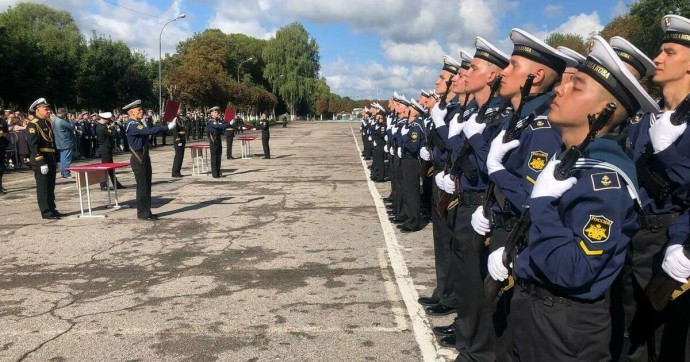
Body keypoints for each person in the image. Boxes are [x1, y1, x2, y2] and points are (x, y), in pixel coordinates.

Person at [496, 35, 658, 361]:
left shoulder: (605, 180)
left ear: (604, 110)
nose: (560, 89)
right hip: (537, 311)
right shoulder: (569, 158)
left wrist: (540, 204)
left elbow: (574, 271)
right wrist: (516, 255)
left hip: (564, 327)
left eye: (577, 86)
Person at [626, 14, 690, 361]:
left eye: (669, 51)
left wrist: (669, 155)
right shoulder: (645, 117)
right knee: (634, 343)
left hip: (676, 246)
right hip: (637, 240)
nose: (658, 58)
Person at [123, 99, 176, 220]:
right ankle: (142, 213)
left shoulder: (138, 123)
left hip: (144, 155)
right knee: (142, 186)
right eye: (139, 110)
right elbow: (148, 131)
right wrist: (167, 127)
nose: (141, 111)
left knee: (147, 185)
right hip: (138, 157)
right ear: (131, 113)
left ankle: (147, 211)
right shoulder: (132, 124)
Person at [26, 98, 62, 219]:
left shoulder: (46, 123)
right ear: (38, 110)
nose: (48, 111)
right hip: (41, 158)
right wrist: (40, 162)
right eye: (46, 109)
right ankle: (46, 211)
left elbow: (51, 142)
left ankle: (52, 208)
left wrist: (55, 159)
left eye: (48, 109)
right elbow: (33, 145)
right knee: (43, 186)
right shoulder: (33, 124)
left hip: (50, 157)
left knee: (51, 185)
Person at [95, 112, 124, 190]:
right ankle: (103, 185)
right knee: (105, 168)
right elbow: (113, 134)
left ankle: (116, 184)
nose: (109, 121)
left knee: (110, 168)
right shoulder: (102, 127)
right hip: (105, 149)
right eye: (108, 120)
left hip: (107, 148)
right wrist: (112, 127)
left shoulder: (102, 126)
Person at [207, 106, 231, 178]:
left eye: (217, 112)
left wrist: (227, 125)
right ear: (212, 114)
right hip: (213, 141)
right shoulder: (211, 122)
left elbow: (221, 129)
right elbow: (220, 127)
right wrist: (228, 124)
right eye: (215, 112)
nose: (217, 113)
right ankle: (215, 173)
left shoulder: (217, 121)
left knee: (218, 157)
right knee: (214, 157)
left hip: (218, 140)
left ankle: (218, 172)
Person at [52, 107, 76, 179]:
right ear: (62, 113)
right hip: (66, 142)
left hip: (60, 142)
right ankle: (66, 173)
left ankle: (63, 172)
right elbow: (71, 127)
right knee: (66, 159)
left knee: (63, 158)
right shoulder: (61, 121)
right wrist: (71, 119)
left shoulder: (55, 119)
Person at [171, 108, 188, 177]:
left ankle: (178, 171)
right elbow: (175, 131)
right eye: (178, 109)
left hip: (182, 138)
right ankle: (175, 172)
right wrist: (178, 140)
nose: (180, 110)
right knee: (178, 157)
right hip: (178, 140)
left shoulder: (179, 118)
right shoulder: (175, 119)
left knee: (180, 157)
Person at [0, 114, 8, 194]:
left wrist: (3, 134)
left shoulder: (2, 121)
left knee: (1, 167)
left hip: (1, 145)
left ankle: (0, 184)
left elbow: (6, 132)